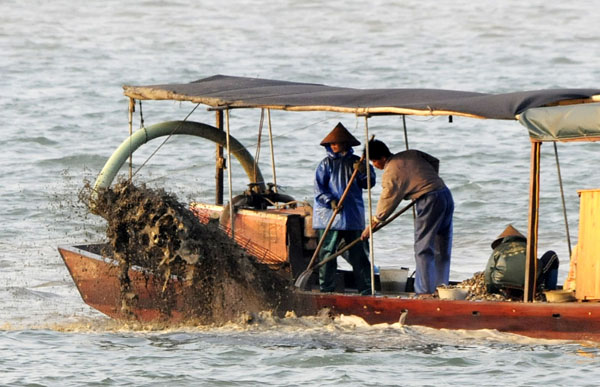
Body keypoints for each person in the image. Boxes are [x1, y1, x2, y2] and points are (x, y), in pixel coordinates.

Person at [361, 139, 454, 296]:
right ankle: (441, 288)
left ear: (382, 158)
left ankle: (424, 291)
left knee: (423, 247)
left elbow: (387, 200)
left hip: (428, 200)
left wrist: (373, 224)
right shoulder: (411, 154)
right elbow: (434, 162)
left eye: (374, 162)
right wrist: (422, 181)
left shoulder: (391, 171)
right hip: (444, 193)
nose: (375, 166)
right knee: (442, 246)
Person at [313, 122, 375, 295]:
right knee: (327, 255)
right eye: (331, 143)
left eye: (337, 142)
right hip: (328, 217)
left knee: (360, 256)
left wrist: (363, 171)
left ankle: (366, 290)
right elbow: (319, 190)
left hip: (353, 216)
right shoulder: (325, 164)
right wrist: (330, 201)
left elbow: (369, 184)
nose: (333, 145)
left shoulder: (358, 162)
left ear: (346, 144)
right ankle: (327, 290)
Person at [484, 224, 559, 294]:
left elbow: (488, 271)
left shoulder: (498, 249)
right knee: (552, 255)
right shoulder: (527, 247)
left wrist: (492, 291)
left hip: (501, 284)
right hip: (527, 284)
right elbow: (537, 266)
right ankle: (550, 290)